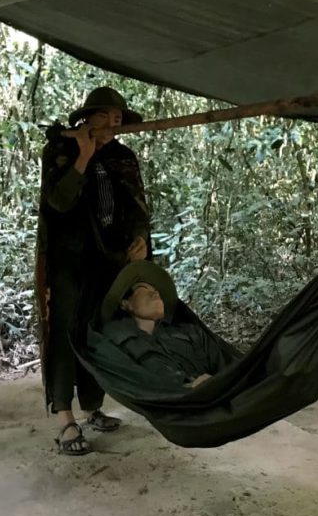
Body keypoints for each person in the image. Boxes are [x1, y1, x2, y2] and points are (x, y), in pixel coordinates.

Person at [35, 87, 151, 456]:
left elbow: (136, 205)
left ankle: (93, 407)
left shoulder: (122, 156)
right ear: (87, 119)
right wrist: (83, 156)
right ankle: (65, 420)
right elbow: (58, 202)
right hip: (69, 261)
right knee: (66, 331)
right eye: (104, 115)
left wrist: (140, 239)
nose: (111, 123)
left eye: (116, 118)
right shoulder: (60, 151)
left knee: (100, 331)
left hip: (110, 260)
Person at [98, 260, 233, 390]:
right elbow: (145, 376)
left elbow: (227, 363)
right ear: (126, 304)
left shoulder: (190, 332)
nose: (155, 293)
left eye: (156, 291)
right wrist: (188, 385)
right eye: (144, 289)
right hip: (180, 403)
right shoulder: (119, 337)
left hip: (225, 395)